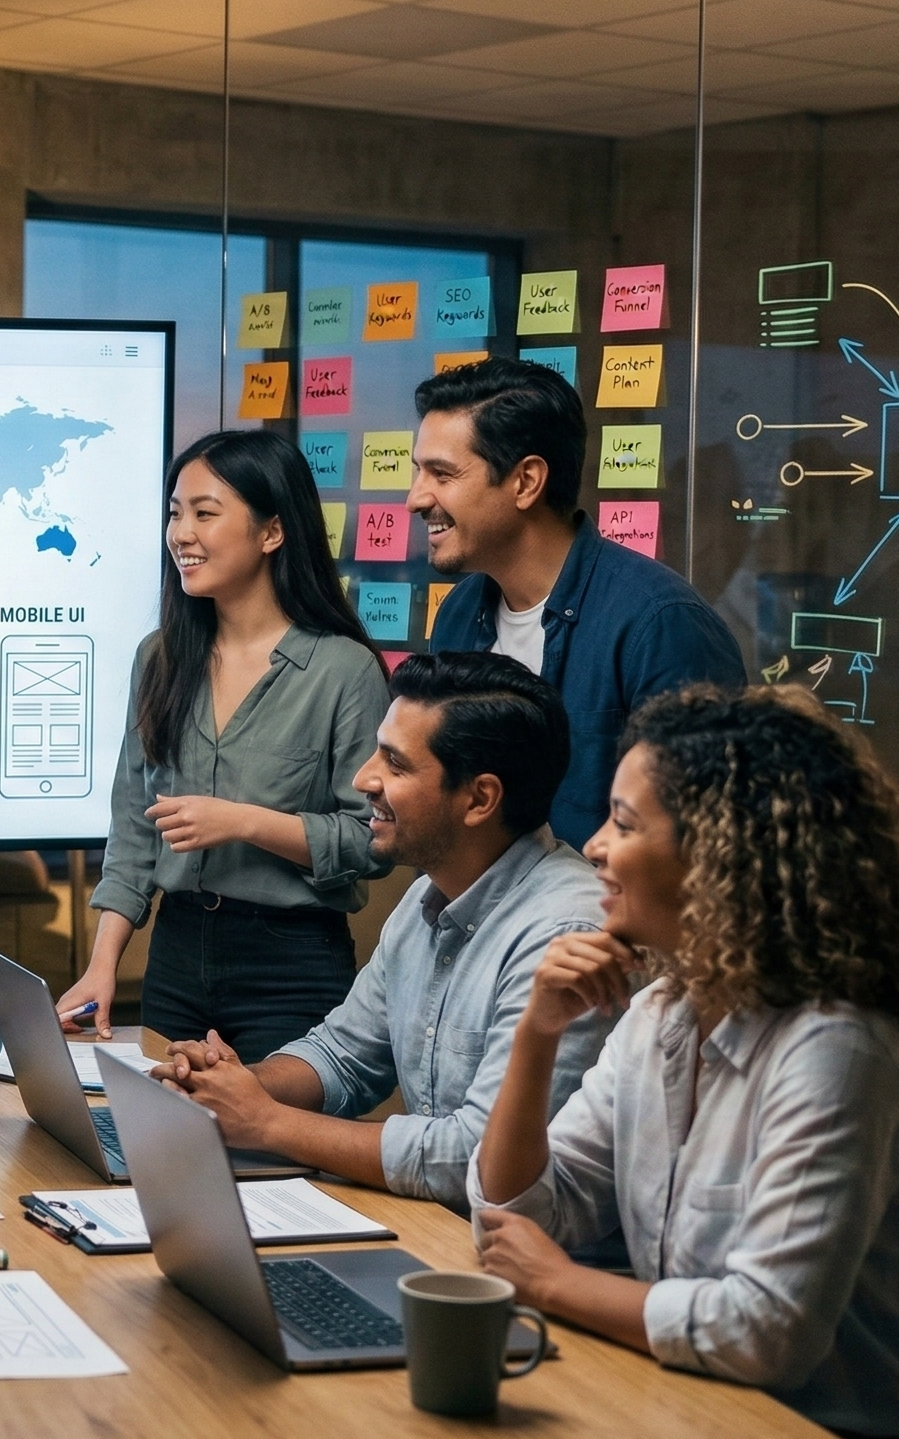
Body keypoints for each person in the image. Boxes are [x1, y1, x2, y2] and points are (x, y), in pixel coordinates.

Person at [472, 685, 899, 1439]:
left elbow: (764, 1332)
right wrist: (535, 1034)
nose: (593, 847)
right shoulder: (662, 1011)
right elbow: (516, 1217)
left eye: (622, 823)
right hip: (709, 1408)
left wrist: (554, 1283)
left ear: (718, 855)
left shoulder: (835, 1046)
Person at [152, 651, 608, 1211]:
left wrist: (268, 1124)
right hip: (439, 1229)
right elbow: (344, 1054)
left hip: (532, 1265)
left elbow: (474, 1155)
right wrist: (234, 1087)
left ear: (480, 798)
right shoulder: (429, 893)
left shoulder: (566, 931)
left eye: (395, 764)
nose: (363, 779)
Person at [56, 430, 391, 1062]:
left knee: (278, 1151)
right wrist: (103, 966)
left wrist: (243, 822)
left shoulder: (344, 670)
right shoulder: (159, 658)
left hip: (291, 966)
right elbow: (134, 830)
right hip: (177, 956)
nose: (181, 533)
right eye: (175, 513)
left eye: (205, 514)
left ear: (272, 532)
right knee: (171, 1148)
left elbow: (372, 842)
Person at [411, 356, 743, 846]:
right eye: (418, 472)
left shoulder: (660, 626)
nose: (415, 498)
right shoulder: (461, 613)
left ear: (526, 481)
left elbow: (703, 841)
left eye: (441, 474)